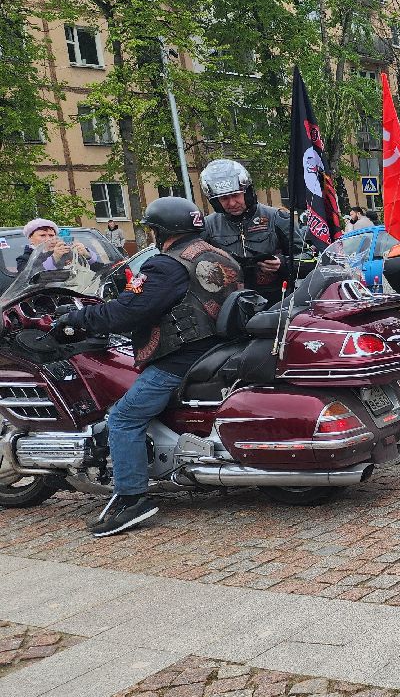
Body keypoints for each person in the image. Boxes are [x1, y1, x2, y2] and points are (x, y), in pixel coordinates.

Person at [51, 197, 241, 537]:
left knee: (123, 417)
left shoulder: (166, 265)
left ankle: (131, 498)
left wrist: (77, 320)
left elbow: (129, 311)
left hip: (181, 357)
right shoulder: (217, 255)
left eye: (152, 229)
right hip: (217, 349)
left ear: (160, 230)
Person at [199, 159, 299, 304]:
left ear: (247, 192)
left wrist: (282, 263)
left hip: (278, 303)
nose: (232, 203)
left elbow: (310, 259)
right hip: (231, 305)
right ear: (215, 201)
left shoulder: (277, 217)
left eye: (236, 195)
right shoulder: (208, 226)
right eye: (224, 198)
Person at [15, 219, 102, 274]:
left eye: (51, 235)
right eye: (42, 235)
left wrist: (87, 255)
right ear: (31, 238)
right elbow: (30, 277)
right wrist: (54, 258)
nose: (48, 239)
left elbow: (100, 271)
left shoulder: (65, 252)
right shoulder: (24, 259)